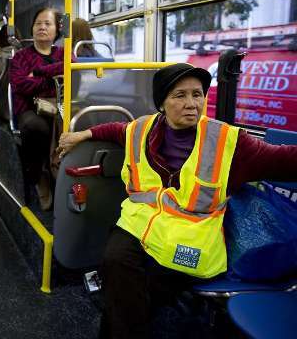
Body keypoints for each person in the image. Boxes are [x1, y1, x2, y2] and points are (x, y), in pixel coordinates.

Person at [57, 63, 297, 338]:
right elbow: (117, 130)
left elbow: (284, 159)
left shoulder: (230, 142)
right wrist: (83, 134)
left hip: (193, 236)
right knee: (114, 260)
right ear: (162, 103)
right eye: (180, 95)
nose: (191, 104)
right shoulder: (143, 129)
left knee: (139, 287)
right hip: (141, 224)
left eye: (197, 94)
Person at [9, 7, 66, 210]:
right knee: (36, 127)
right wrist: (53, 80)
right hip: (30, 108)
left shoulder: (64, 53)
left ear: (57, 30)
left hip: (60, 106)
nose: (42, 27)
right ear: (32, 28)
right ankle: (40, 174)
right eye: (38, 23)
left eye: (47, 23)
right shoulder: (20, 57)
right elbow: (21, 85)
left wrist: (39, 72)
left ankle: (66, 173)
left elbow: (71, 65)